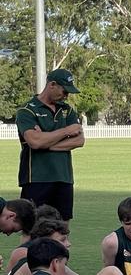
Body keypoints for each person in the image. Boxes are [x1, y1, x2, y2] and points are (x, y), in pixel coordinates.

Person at [15, 68, 84, 221]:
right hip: (36, 179)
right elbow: (35, 141)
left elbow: (79, 140)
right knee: (32, 229)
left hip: (64, 177)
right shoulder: (26, 111)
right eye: (64, 91)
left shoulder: (67, 111)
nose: (66, 96)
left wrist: (47, 143)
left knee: (62, 230)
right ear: (52, 85)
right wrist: (66, 131)